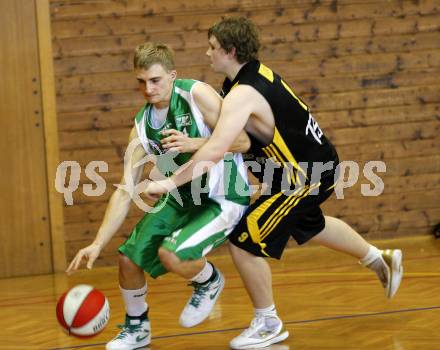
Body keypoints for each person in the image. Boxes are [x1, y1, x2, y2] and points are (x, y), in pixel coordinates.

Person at [143, 17, 404, 349]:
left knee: (244, 240)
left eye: (212, 47)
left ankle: (268, 322)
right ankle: (380, 259)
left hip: (306, 174)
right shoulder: (248, 78)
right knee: (312, 225)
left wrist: (169, 183)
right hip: (298, 170)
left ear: (230, 50)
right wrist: (196, 145)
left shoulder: (243, 94)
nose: (207, 53)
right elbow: (243, 141)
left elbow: (219, 147)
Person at [66, 42, 251, 350]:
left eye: (155, 80)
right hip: (183, 195)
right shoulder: (141, 126)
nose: (148, 89)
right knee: (127, 258)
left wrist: (193, 143)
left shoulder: (196, 95)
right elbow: (125, 190)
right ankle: (138, 328)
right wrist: (98, 242)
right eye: (141, 82)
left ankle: (208, 280)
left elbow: (242, 141)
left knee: (172, 254)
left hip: (224, 195)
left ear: (172, 75)